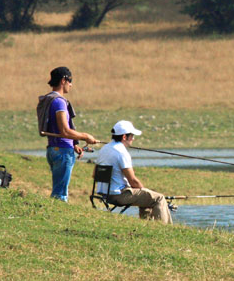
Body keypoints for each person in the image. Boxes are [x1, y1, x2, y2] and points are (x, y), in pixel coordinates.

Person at [37, 66, 99, 201]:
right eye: (70, 81)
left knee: (58, 189)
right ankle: (56, 218)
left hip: (53, 149)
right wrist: (86, 136)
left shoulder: (48, 99)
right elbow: (64, 131)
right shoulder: (59, 102)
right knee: (60, 194)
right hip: (62, 152)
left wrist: (75, 144)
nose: (71, 85)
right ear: (63, 80)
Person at [94, 120, 173, 224]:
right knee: (159, 198)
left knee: (146, 196)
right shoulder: (121, 152)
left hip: (104, 194)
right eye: (131, 136)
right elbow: (133, 181)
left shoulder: (104, 149)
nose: (133, 138)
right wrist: (144, 189)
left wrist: (144, 192)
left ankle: (146, 225)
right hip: (118, 195)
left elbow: (94, 174)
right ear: (124, 137)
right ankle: (164, 229)